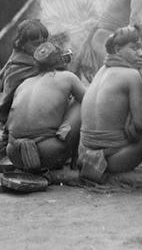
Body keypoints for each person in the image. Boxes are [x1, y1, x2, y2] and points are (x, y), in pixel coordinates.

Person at [78, 25, 142, 184]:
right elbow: (140, 125)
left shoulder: (101, 71)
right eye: (134, 48)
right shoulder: (131, 74)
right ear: (117, 49)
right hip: (113, 160)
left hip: (83, 156)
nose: (141, 53)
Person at [6, 42, 86, 173]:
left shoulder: (25, 83)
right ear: (63, 60)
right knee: (80, 103)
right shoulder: (68, 77)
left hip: (14, 153)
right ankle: (75, 163)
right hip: (48, 152)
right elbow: (90, 102)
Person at [0, 19, 48, 140]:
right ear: (22, 44)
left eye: (44, 43)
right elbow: (9, 98)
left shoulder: (41, 60)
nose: (41, 47)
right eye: (36, 44)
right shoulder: (17, 66)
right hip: (19, 116)